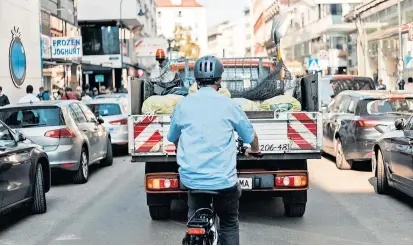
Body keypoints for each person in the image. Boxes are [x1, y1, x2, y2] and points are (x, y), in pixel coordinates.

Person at [167, 56, 261, 245]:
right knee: (228, 222)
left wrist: (179, 149)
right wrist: (255, 150)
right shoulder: (229, 104)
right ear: (219, 79)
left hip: (192, 179)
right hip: (223, 181)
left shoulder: (183, 104)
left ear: (196, 80)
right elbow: (251, 136)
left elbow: (173, 137)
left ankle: (194, 233)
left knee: (195, 214)